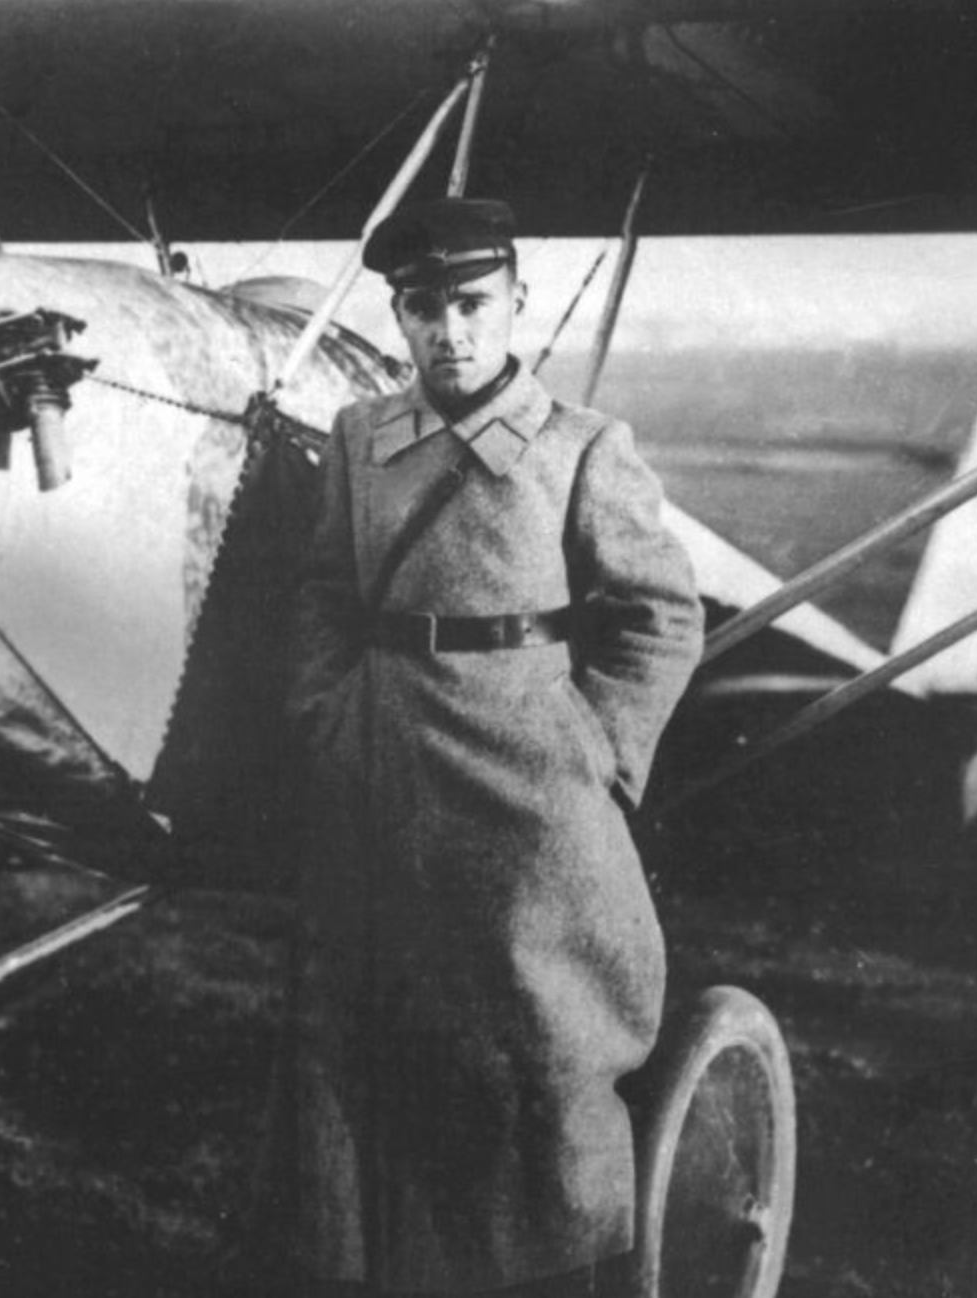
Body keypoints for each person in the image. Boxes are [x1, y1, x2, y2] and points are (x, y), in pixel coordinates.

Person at [277, 198, 705, 1296]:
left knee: (540, 1030)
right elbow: (324, 590)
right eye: (424, 308)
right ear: (400, 317)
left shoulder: (581, 446)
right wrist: (326, 714)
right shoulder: (360, 439)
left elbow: (659, 614)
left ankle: (557, 1270)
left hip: (527, 787)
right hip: (379, 768)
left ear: (515, 300)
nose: (450, 331)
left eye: (472, 303)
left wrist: (599, 753)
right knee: (364, 1027)